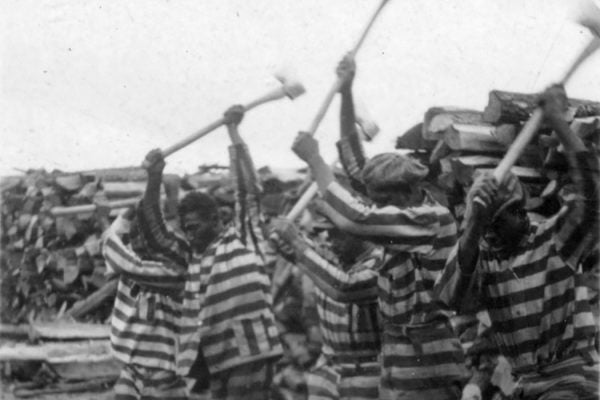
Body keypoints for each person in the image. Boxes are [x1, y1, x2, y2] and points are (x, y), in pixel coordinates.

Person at [290, 55, 468, 400]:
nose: (378, 207)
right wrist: (345, 92)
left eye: (385, 200)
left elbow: (358, 217)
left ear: (413, 190)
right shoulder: (402, 210)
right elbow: (355, 165)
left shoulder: (430, 220)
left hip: (427, 358)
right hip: (398, 357)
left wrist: (314, 160)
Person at [434, 85, 599, 400]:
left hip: (570, 380)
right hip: (526, 384)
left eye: (498, 222)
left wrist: (560, 125)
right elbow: (450, 299)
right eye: (485, 225)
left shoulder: (553, 240)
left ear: (521, 213)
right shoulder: (483, 253)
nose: (491, 233)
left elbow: (592, 198)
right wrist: (473, 225)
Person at [139, 105, 282, 400]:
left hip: (251, 351)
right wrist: (154, 178)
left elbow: (246, 190)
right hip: (214, 359)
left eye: (195, 227)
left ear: (216, 220)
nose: (190, 234)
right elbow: (156, 235)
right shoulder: (190, 256)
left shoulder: (242, 236)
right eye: (187, 229)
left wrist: (233, 132)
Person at [271, 212, 383, 400]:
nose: (330, 241)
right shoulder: (332, 259)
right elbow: (310, 258)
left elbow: (344, 287)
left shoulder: (381, 263)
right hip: (327, 370)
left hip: (366, 373)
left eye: (336, 234)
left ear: (358, 231)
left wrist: (297, 244)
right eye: (327, 235)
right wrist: (288, 246)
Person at [101, 191, 190, 397]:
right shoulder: (130, 260)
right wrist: (130, 209)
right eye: (134, 240)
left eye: (142, 240)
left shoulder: (170, 271)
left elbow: (115, 249)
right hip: (132, 367)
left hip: (164, 370)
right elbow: (115, 241)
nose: (137, 244)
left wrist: (101, 218)